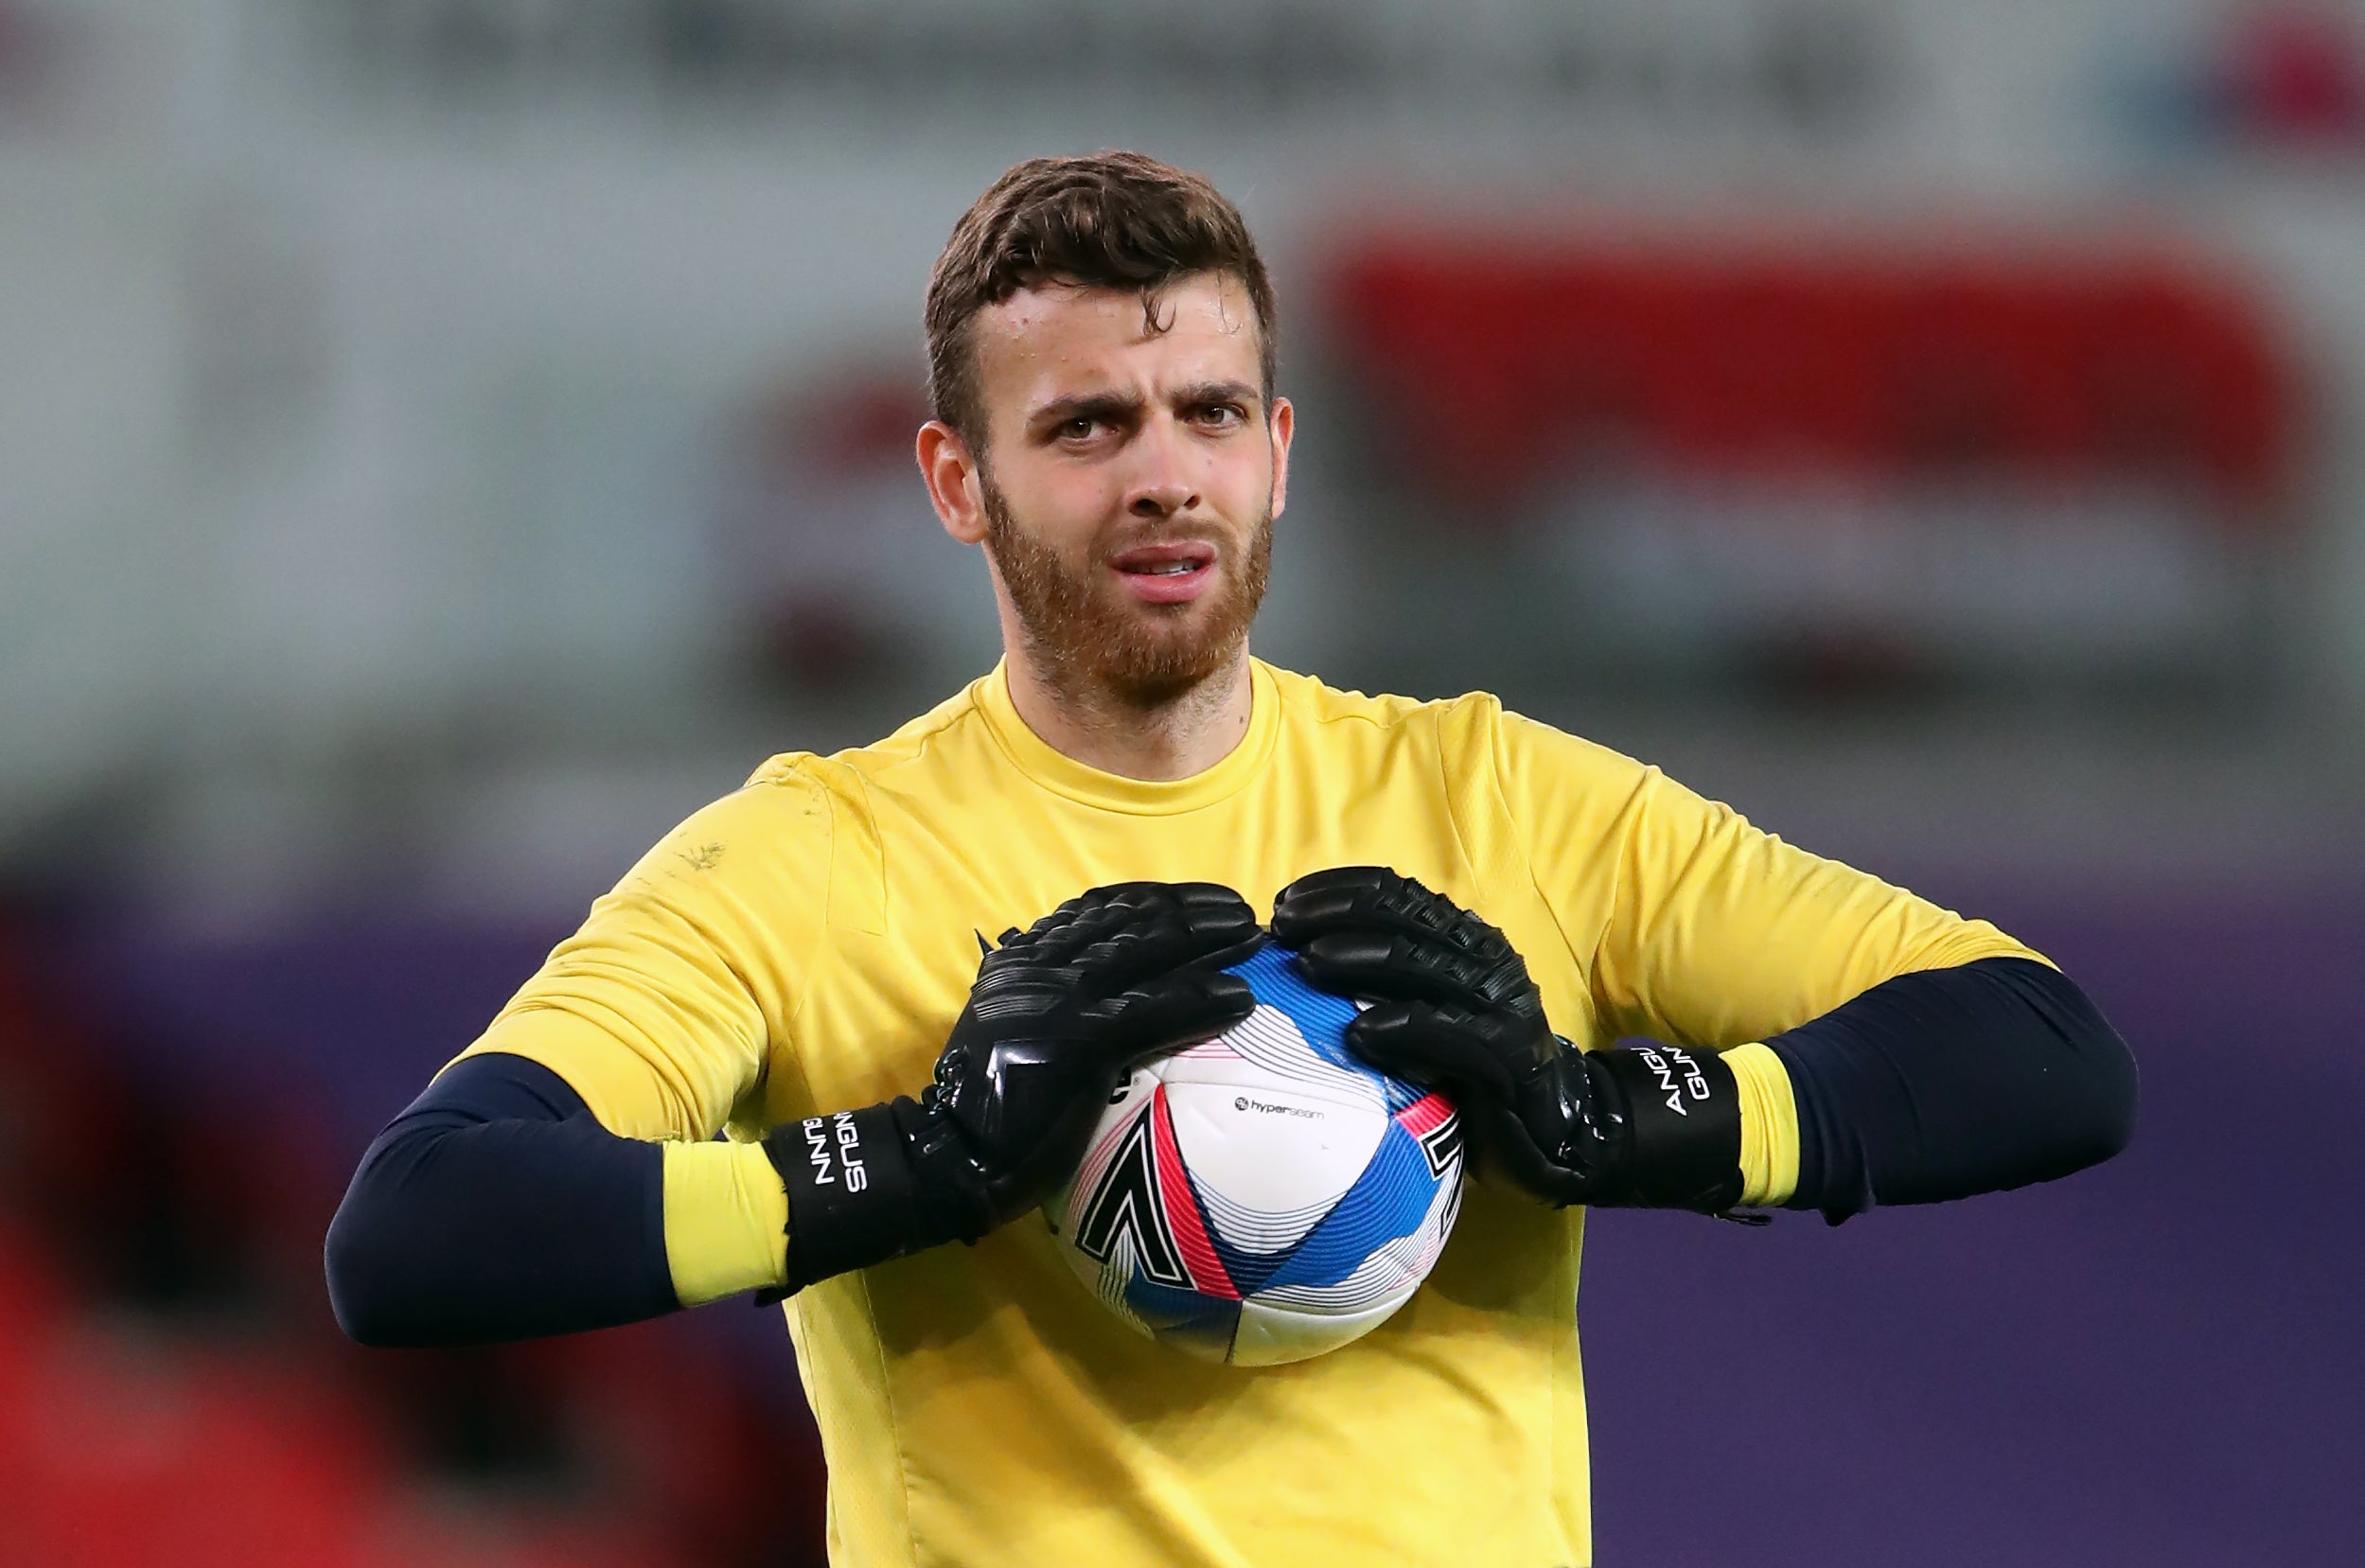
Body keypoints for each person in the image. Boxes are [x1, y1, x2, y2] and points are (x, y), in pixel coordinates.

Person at [325, 150, 2136, 1568]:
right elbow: (418, 1229)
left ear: (1280, 453)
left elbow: (2044, 1051)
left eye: (1207, 414)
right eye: (1088, 426)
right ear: (958, 483)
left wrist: (1607, 1119)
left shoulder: (1501, 801)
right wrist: (919, 1159)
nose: (1163, 475)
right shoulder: (810, 859)